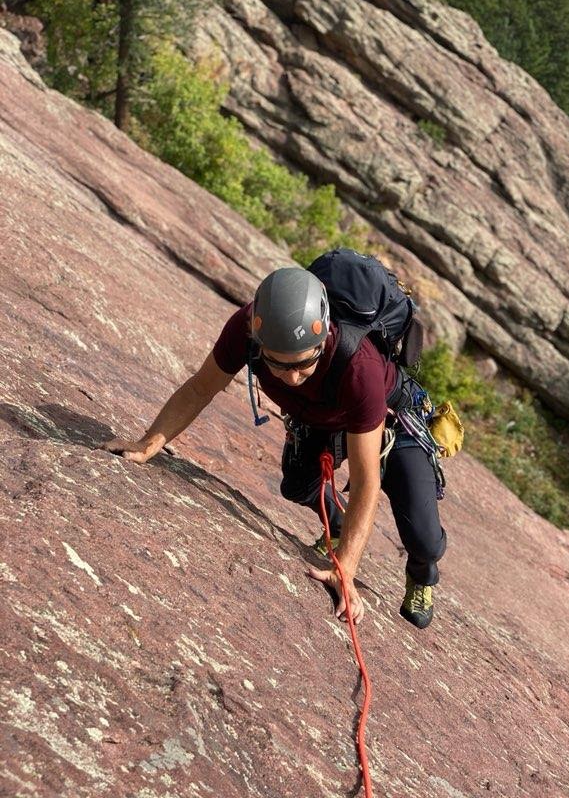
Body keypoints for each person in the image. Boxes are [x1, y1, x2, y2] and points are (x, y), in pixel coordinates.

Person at [103, 266, 447, 628]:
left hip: (390, 417)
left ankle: (423, 573)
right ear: (257, 335)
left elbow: (366, 481)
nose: (293, 378)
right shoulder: (245, 329)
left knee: (422, 535)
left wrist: (344, 567)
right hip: (320, 415)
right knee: (298, 486)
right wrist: (147, 444)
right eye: (278, 365)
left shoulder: (358, 367)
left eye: (303, 363)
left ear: (325, 334)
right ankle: (338, 522)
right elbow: (199, 389)